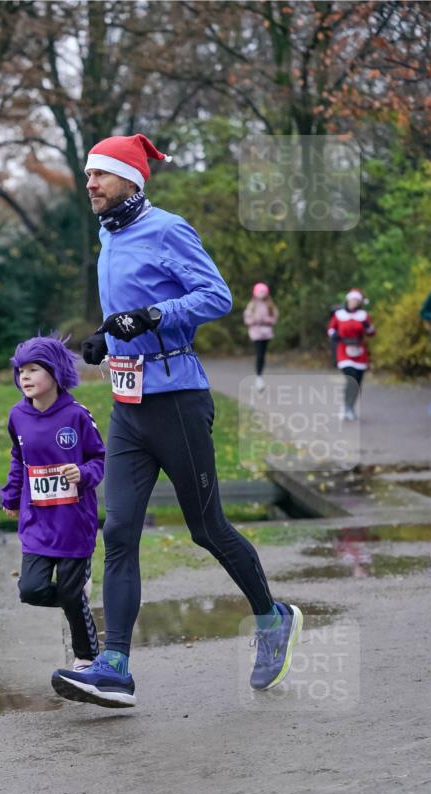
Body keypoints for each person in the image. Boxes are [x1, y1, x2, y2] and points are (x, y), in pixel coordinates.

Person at [50, 133, 303, 710]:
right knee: (117, 532)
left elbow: (216, 296)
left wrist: (155, 314)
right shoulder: (107, 236)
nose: (90, 183)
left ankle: (272, 617)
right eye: (88, 174)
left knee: (206, 527)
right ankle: (114, 665)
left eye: (101, 174)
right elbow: (129, 311)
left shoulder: (166, 228)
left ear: (132, 181)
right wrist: (105, 334)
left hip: (179, 402)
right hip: (128, 405)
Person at [1, 334, 105, 669]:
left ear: (56, 373)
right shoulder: (17, 415)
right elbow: (19, 459)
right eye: (21, 371)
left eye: (33, 369)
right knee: (30, 590)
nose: (25, 377)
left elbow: (99, 459)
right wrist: (12, 495)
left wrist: (84, 473)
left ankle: (86, 657)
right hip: (37, 522)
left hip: (74, 522)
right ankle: (75, 598)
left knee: (72, 595)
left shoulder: (76, 415)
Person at [327, 289, 376, 421]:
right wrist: (334, 335)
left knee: (358, 381)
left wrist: (367, 326)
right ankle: (345, 406)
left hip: (359, 351)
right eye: (352, 299)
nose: (354, 302)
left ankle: (350, 406)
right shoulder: (339, 314)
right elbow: (331, 329)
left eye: (356, 300)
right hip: (344, 350)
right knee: (351, 378)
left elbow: (371, 333)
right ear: (348, 300)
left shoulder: (364, 315)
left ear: (359, 302)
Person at [244, 282, 278, 391]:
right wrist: (254, 320)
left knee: (262, 355)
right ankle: (258, 377)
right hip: (256, 333)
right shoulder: (252, 305)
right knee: (259, 355)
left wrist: (267, 320)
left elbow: (274, 317)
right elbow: (247, 318)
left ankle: (260, 375)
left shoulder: (270, 305)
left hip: (266, 332)